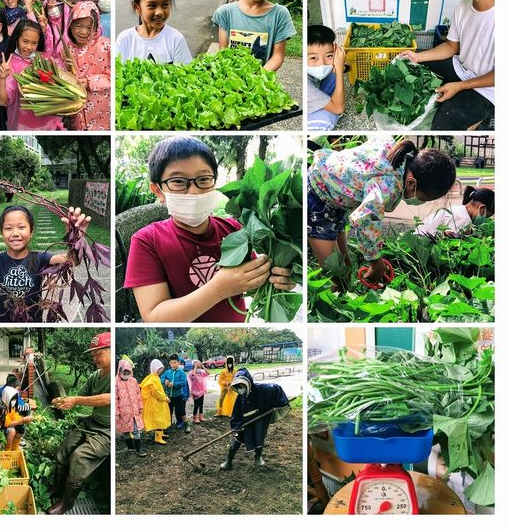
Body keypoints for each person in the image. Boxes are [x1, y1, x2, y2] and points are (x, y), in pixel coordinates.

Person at [123, 136, 295, 322]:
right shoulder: (147, 241)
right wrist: (218, 288)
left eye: (204, 179)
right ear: (158, 191)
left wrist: (278, 278)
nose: (194, 191)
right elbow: (154, 317)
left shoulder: (235, 229)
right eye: (179, 182)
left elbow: (251, 281)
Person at [308, 137, 457, 286]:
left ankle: (344, 293)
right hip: (318, 197)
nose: (420, 202)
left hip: (335, 197)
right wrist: (376, 262)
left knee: (345, 268)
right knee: (336, 276)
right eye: (422, 198)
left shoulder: (395, 153)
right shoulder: (388, 185)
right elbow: (364, 218)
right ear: (411, 183)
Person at [400, 0, 494, 130]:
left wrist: (460, 86)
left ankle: (482, 120)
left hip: (489, 87)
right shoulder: (463, 6)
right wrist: (417, 56)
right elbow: (452, 47)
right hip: (462, 69)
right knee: (410, 69)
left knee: (443, 124)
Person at [48, 332, 111, 515]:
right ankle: (58, 490)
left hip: (106, 431)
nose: (94, 358)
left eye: (98, 353)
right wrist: (63, 401)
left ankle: (66, 503)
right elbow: (79, 397)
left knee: (79, 457)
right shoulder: (95, 376)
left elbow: (109, 399)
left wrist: (76, 400)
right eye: (92, 354)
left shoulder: (117, 374)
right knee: (63, 450)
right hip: (91, 422)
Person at [0, 18, 65, 130]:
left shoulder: (44, 59)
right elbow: (2, 101)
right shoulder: (10, 66)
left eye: (34, 43)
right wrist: (2, 79)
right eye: (25, 41)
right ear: (16, 39)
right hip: (22, 125)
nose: (29, 47)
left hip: (48, 124)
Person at [220, 368, 290, 470]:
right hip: (246, 421)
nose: (240, 389)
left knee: (259, 436)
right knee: (238, 437)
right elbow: (236, 413)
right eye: (238, 387)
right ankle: (228, 461)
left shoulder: (262, 389)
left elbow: (276, 389)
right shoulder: (240, 397)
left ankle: (258, 458)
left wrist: (278, 404)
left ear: (248, 383)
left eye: (241, 386)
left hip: (261, 417)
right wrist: (237, 426)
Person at [115, 0, 192, 64]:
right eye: (152, 5)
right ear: (136, 7)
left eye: (165, 5)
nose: (159, 12)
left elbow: (186, 73)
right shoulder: (125, 39)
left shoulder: (176, 39)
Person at [65, 1, 110, 130]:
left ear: (96, 27)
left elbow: (114, 76)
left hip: (101, 114)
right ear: (70, 25)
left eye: (89, 28)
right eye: (78, 26)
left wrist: (89, 82)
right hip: (77, 114)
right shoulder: (67, 49)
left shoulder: (106, 46)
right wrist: (68, 71)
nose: (83, 32)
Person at [306, 25, 346, 130]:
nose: (322, 64)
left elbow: (344, 68)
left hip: (315, 95)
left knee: (334, 74)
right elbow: (339, 108)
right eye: (313, 58)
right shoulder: (306, 87)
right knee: (326, 119)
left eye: (329, 56)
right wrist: (339, 69)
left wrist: (340, 66)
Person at [416, 186, 494, 238]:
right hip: (421, 243)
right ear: (482, 209)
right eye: (486, 216)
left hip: (417, 237)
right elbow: (452, 243)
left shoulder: (459, 210)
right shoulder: (464, 219)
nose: (484, 220)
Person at [115, 357, 146, 457]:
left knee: (136, 430)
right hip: (123, 412)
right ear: (120, 371)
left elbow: (138, 395)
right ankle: (130, 447)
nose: (126, 375)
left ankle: (138, 449)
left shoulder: (134, 381)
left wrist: (140, 406)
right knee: (125, 430)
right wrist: (116, 412)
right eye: (125, 372)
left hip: (134, 410)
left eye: (128, 372)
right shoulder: (116, 383)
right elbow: (115, 399)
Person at [140, 359, 171, 445]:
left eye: (161, 369)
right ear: (154, 368)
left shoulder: (154, 376)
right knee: (159, 420)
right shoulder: (153, 378)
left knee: (161, 418)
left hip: (159, 402)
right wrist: (165, 398)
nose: (161, 370)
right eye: (159, 369)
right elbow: (156, 393)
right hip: (156, 403)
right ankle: (158, 437)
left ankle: (161, 434)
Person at [162, 354, 191, 433]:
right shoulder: (168, 372)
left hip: (178, 396)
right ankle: (168, 425)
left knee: (181, 411)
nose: (173, 364)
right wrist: (165, 381)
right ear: (169, 363)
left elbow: (183, 382)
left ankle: (186, 424)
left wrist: (174, 384)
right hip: (169, 397)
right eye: (171, 363)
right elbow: (161, 378)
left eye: (175, 362)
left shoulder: (181, 372)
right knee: (169, 411)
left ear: (178, 362)